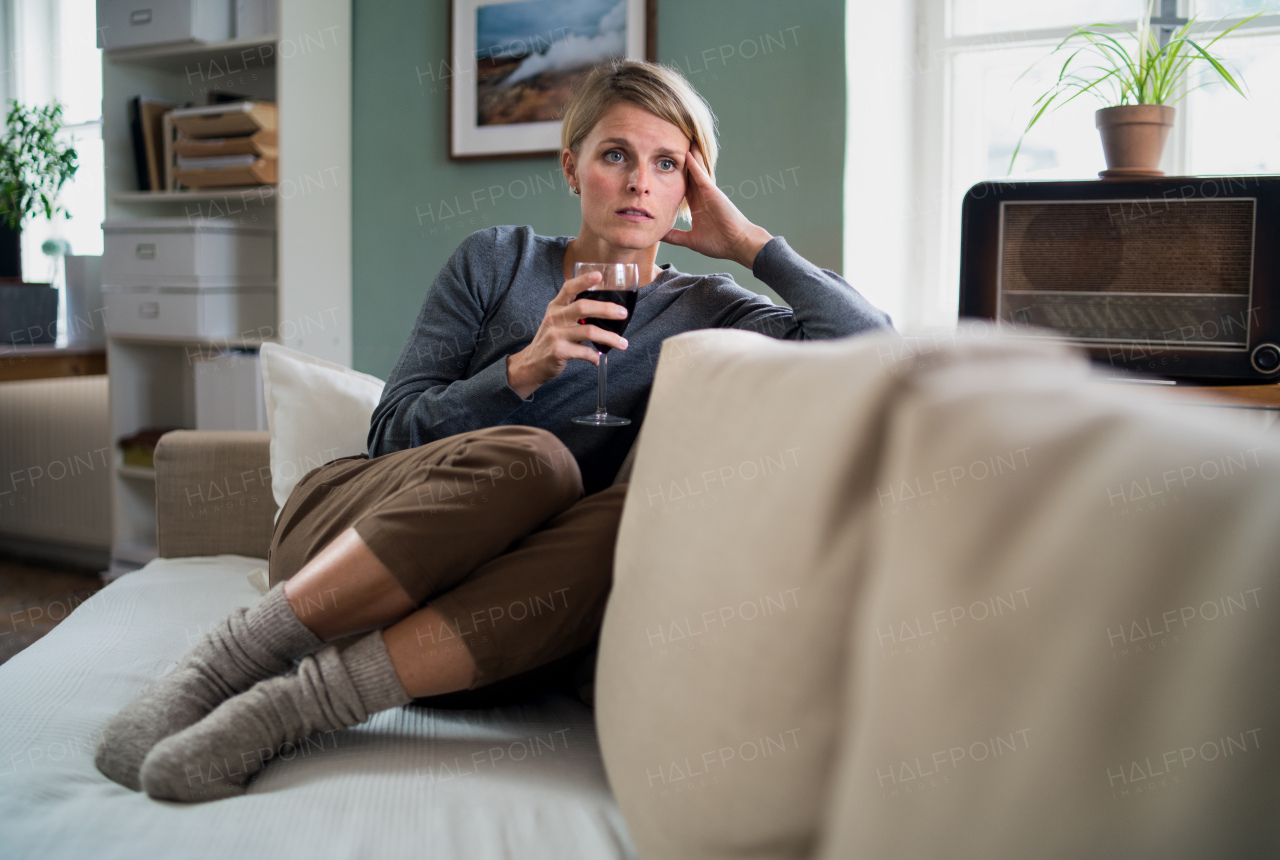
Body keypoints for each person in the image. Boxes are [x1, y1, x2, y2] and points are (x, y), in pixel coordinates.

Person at [94, 58, 892, 803]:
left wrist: (749, 245)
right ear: (572, 166)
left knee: (638, 516)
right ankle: (222, 663)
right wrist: (520, 372)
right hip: (350, 531)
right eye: (616, 155)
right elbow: (391, 433)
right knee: (538, 461)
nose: (639, 183)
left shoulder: (712, 306)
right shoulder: (496, 261)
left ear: (692, 185)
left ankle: (302, 706)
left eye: (667, 163)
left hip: (502, 608)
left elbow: (872, 347)